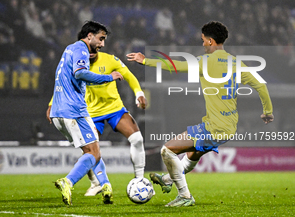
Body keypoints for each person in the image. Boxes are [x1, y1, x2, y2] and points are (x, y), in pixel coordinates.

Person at [127, 21, 274, 207]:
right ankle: (168, 180)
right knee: (191, 155)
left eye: (203, 40)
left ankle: (185, 196)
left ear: (211, 41)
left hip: (215, 127)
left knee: (167, 150)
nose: (202, 44)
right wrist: (267, 112)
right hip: (227, 126)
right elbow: (261, 85)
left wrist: (145, 60)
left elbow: (175, 66)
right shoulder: (236, 63)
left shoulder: (205, 61)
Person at [47, 50, 147, 196]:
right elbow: (63, 84)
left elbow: (129, 76)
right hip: (90, 113)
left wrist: (139, 93)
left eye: (95, 49)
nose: (92, 52)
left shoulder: (110, 59)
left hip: (114, 109)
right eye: (88, 50)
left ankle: (139, 181)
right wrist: (51, 104)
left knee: (137, 139)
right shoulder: (77, 63)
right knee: (90, 151)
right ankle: (96, 183)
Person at [48, 21, 123, 207]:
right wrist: (108, 78)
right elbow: (80, 73)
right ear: (89, 36)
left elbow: (69, 76)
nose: (102, 44)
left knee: (92, 151)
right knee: (94, 152)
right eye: (101, 38)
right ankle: (68, 181)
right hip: (74, 111)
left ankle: (105, 186)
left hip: (59, 112)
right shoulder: (81, 48)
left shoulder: (70, 49)